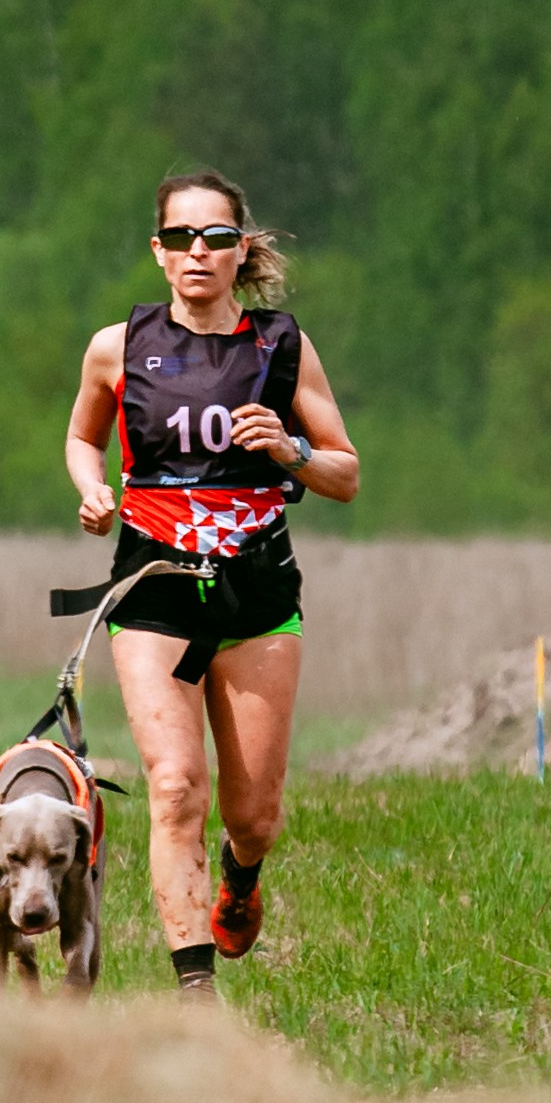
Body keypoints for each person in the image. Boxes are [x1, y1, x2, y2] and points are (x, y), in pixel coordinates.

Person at [64, 169, 359, 1000]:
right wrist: (91, 489)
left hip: (255, 592)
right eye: (183, 237)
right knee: (171, 785)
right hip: (153, 584)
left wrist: (290, 451)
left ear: (239, 250)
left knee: (251, 814)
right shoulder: (116, 346)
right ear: (157, 252)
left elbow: (345, 474)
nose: (200, 251)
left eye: (217, 237)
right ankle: (194, 993)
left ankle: (241, 876)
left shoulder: (282, 347)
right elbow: (83, 438)